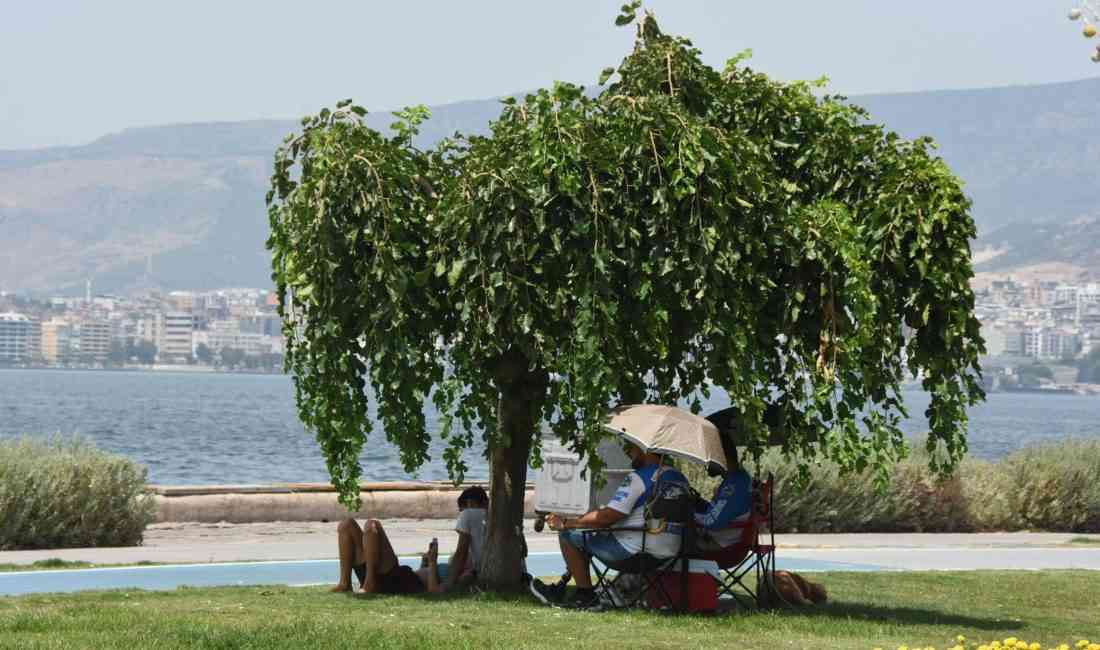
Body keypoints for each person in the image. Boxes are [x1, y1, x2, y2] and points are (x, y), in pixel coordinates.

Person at [529, 442, 690, 609]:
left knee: (568, 535)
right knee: (587, 535)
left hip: (634, 553)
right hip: (668, 554)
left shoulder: (639, 477)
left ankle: (585, 595)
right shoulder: (679, 479)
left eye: (632, 447)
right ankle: (566, 585)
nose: (628, 451)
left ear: (645, 449)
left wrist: (565, 523)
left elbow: (607, 517)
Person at [330, 485, 489, 594]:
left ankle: (370, 582)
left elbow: (434, 589)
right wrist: (426, 563)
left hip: (405, 582)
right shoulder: (468, 556)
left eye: (466, 509)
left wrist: (433, 563)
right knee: (346, 525)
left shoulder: (470, 570)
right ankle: (345, 583)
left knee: (372, 526)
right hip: (399, 579)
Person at [694, 434, 753, 560]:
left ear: (720, 456)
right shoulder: (738, 479)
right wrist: (699, 503)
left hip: (720, 545)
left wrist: (687, 514)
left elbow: (712, 522)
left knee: (671, 540)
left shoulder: (734, 485)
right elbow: (719, 512)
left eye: (709, 456)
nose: (706, 462)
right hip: (726, 540)